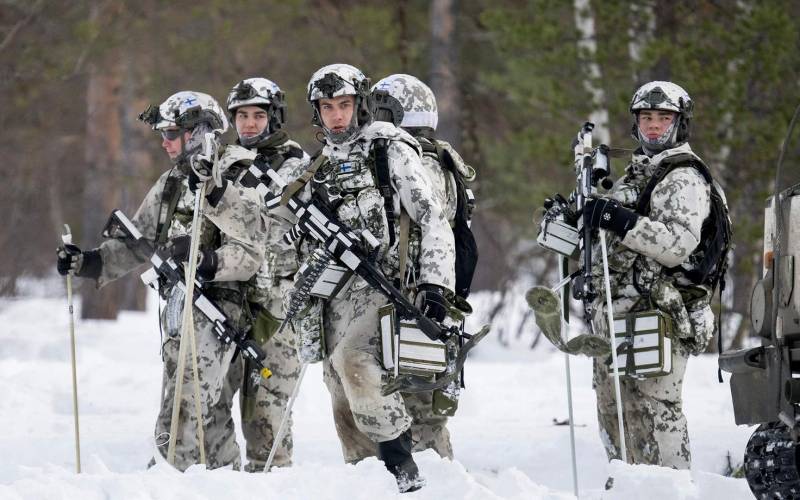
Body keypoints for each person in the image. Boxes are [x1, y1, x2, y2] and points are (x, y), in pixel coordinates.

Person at [56, 91, 266, 471]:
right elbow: (140, 241)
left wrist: (205, 261)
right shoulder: (171, 183)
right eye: (163, 135)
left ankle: (166, 479)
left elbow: (252, 248)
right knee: (205, 404)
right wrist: (89, 263)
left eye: (172, 133)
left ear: (198, 132)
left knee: (188, 395)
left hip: (223, 305)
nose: (165, 143)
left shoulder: (236, 174)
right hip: (177, 304)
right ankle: (225, 483)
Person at [294, 63, 456, 492]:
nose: (336, 117)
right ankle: (366, 484)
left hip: (386, 288)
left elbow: (432, 218)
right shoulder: (317, 167)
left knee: (357, 364)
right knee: (342, 392)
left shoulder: (389, 149)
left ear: (360, 105)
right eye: (327, 107)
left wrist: (436, 288)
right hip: (333, 297)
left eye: (344, 105)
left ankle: (407, 470)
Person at [321, 73, 478, 463]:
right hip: (374, 299)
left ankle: (432, 484)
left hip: (413, 299)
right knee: (358, 398)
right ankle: (374, 481)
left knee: (420, 414)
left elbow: (434, 224)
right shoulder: (376, 157)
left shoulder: (415, 161)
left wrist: (433, 289)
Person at [581, 81, 729, 469]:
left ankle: (672, 489)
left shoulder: (684, 176)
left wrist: (619, 219)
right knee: (617, 410)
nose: (653, 126)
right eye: (646, 117)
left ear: (679, 124)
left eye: (663, 118)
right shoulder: (640, 172)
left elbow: (677, 244)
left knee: (657, 411)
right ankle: (628, 488)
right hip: (623, 312)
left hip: (662, 313)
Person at [223, 77, 309, 472]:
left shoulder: (297, 165)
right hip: (227, 293)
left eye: (259, 115)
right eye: (243, 115)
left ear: (274, 117)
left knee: (269, 406)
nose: (251, 124)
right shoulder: (222, 162)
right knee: (216, 397)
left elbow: (282, 225)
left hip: (279, 299)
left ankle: (272, 481)